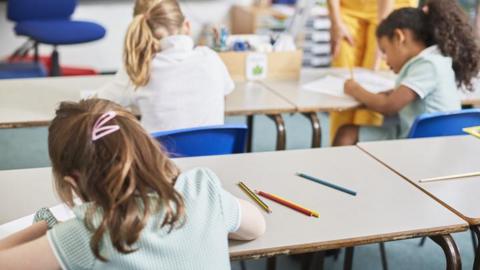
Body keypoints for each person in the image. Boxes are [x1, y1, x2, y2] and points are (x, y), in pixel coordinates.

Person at [0, 99, 265, 269]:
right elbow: (256, 227)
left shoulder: (89, 232)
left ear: (72, 182)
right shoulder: (202, 189)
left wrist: (48, 225)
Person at [333, 0, 480, 146]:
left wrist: (355, 90)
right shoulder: (434, 60)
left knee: (346, 134)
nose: (385, 58)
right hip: (427, 138)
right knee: (347, 132)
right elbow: (407, 95)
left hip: (424, 143)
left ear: (399, 37)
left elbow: (388, 107)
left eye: (385, 50)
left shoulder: (428, 64)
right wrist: (390, 92)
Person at [98, 0, 234, 132]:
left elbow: (97, 105)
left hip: (160, 155)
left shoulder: (139, 69)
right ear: (186, 25)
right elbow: (225, 95)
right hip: (213, 154)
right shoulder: (211, 58)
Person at [327, 0, 418, 143]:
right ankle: (339, 150)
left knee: (375, 83)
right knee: (341, 84)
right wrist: (335, 22)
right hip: (350, 8)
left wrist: (381, 42)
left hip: (392, 9)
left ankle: (365, 153)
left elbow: (387, 105)